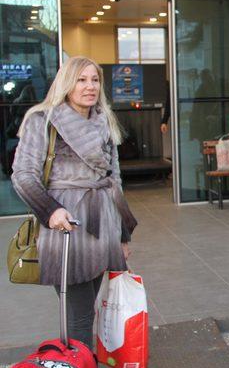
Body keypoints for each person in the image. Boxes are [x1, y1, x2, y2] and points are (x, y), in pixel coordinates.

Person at [11, 56, 137, 351]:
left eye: (95, 80)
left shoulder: (104, 121)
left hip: (103, 223)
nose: (89, 87)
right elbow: (23, 175)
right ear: (67, 83)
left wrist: (122, 235)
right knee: (79, 316)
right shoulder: (42, 120)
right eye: (81, 80)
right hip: (67, 229)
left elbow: (114, 180)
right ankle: (80, 364)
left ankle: (77, 362)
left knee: (86, 311)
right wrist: (50, 210)